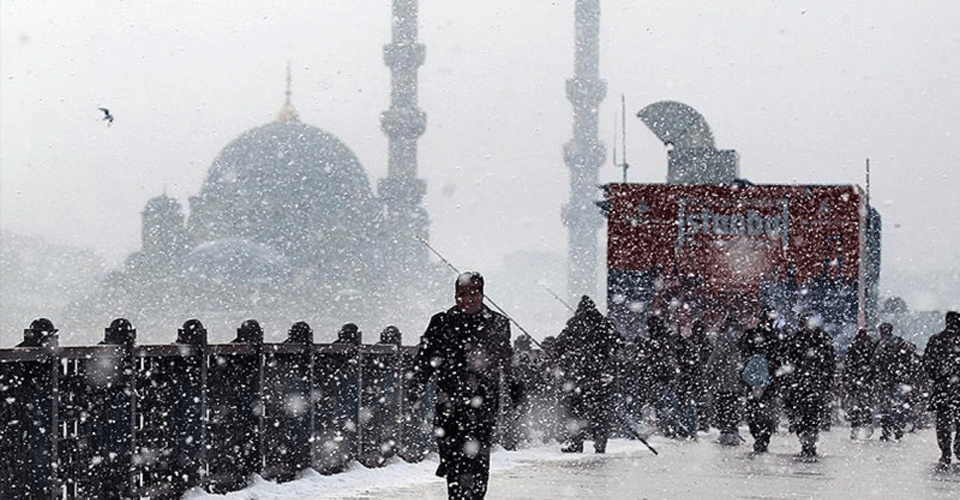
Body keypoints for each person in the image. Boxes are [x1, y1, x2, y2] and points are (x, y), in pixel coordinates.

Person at [406, 272, 513, 499]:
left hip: (483, 406)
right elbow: (425, 360)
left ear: (482, 295)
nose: (468, 299)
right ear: (455, 296)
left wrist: (515, 388)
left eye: (473, 293)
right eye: (462, 294)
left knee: (478, 462)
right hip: (449, 405)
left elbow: (507, 361)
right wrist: (415, 387)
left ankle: (471, 492)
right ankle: (455, 482)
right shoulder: (441, 322)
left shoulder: (498, 324)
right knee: (453, 459)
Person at [555, 295, 621, 453]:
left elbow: (558, 346)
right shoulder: (605, 324)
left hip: (578, 376)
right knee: (601, 411)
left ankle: (576, 442)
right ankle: (600, 440)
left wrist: (568, 356)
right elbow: (619, 342)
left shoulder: (573, 325)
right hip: (600, 376)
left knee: (575, 410)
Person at [782, 314, 835, 459]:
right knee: (800, 415)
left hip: (814, 385)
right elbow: (789, 360)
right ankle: (806, 441)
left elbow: (829, 362)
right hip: (800, 385)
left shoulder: (821, 339)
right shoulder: (797, 340)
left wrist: (825, 381)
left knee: (812, 416)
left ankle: (809, 443)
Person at [738, 306, 782, 454]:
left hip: (752, 381)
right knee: (766, 412)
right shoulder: (776, 336)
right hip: (769, 381)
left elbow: (742, 353)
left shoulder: (751, 334)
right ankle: (763, 438)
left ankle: (758, 436)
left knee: (753, 411)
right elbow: (781, 358)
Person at [922, 311, 960, 466]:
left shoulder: (936, 339)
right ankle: (958, 447)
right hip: (957, 387)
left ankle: (945, 452)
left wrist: (937, 376)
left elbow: (927, 362)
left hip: (943, 387)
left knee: (943, 421)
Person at [706, 314, 744, 446]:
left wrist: (710, 372)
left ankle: (726, 433)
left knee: (723, 406)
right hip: (737, 381)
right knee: (733, 406)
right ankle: (733, 431)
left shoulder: (723, 340)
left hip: (724, 381)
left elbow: (714, 360)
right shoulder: (741, 339)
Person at [871, 323, 911, 441]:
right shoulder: (900, 342)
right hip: (898, 379)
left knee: (886, 407)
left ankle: (887, 431)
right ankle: (898, 428)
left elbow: (874, 361)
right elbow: (908, 358)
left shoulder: (881, 344)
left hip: (886, 380)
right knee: (897, 406)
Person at [842, 328, 876, 439]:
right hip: (860, 381)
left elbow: (848, 365)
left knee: (861, 406)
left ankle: (861, 427)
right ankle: (859, 427)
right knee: (859, 406)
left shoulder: (857, 348)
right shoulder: (867, 348)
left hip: (861, 381)